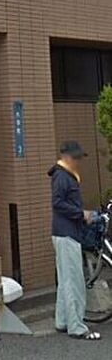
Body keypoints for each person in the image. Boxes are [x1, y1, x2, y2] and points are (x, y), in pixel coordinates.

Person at [48, 141, 100, 341]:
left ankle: (63, 321)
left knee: (65, 281)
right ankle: (77, 327)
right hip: (67, 233)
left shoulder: (63, 174)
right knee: (74, 282)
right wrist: (81, 213)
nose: (78, 161)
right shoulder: (62, 176)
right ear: (66, 156)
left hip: (63, 233)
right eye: (76, 157)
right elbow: (58, 203)